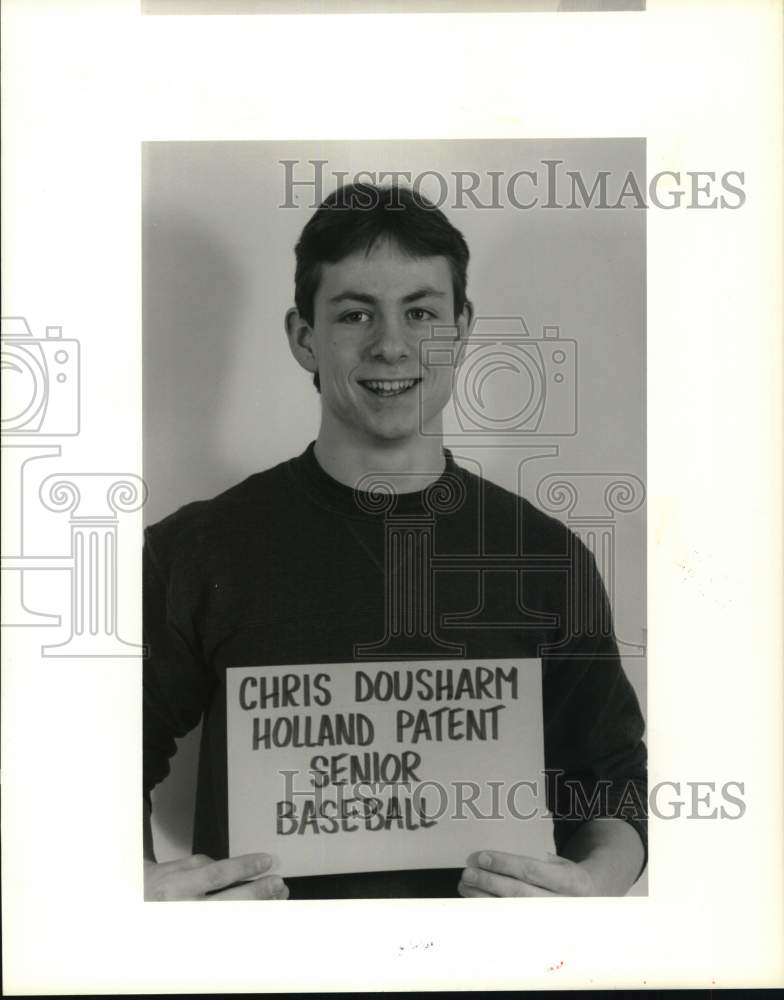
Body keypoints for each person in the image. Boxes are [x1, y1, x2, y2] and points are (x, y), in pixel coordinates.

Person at [143, 182, 647, 901]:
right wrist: (135, 891)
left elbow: (615, 782)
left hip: (487, 979)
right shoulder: (193, 550)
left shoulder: (546, 557)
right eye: (355, 314)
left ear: (462, 329)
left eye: (421, 312)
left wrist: (594, 885)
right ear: (302, 337)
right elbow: (93, 759)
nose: (391, 345)